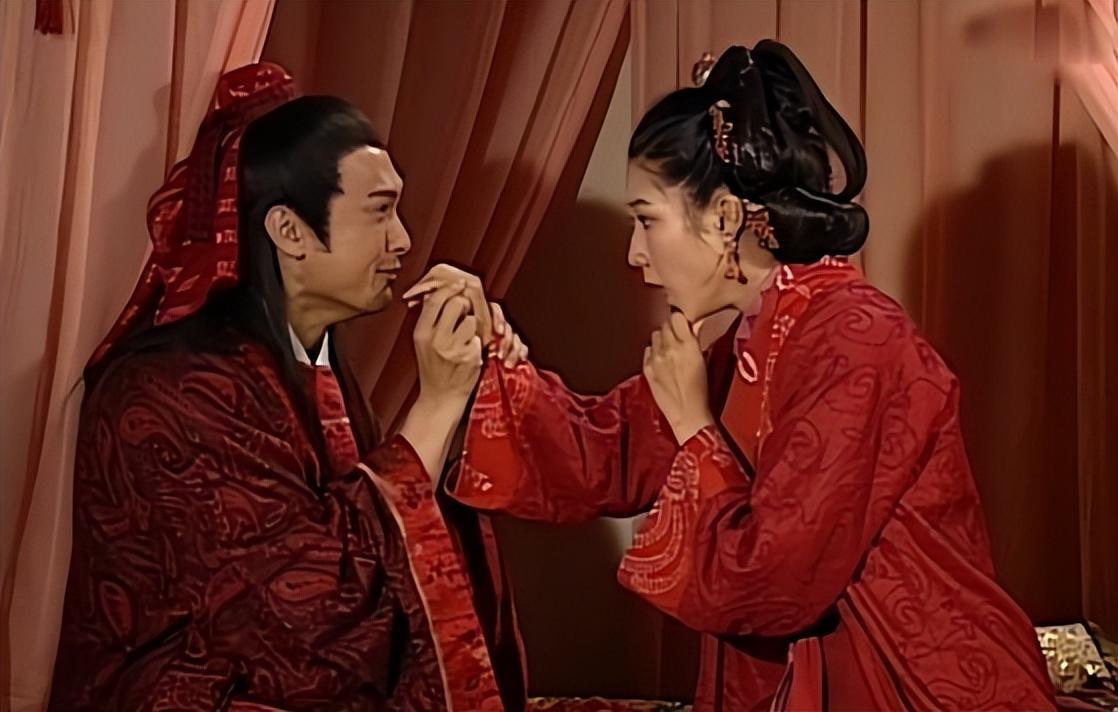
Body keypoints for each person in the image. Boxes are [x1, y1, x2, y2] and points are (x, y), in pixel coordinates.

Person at [416, 42, 1056, 710]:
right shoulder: (752, 338)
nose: (635, 253)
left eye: (647, 219)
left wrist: (694, 426)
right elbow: (607, 451)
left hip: (907, 679)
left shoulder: (858, 341)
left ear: (724, 218)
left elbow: (771, 580)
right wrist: (488, 351)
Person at [49, 63, 522, 711]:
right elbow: (314, 623)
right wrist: (436, 403)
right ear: (289, 231)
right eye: (379, 212)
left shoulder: (310, 368)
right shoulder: (171, 393)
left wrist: (476, 387)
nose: (403, 240)